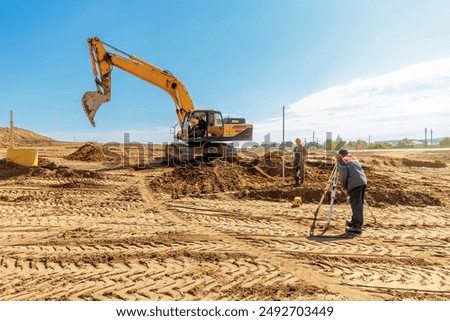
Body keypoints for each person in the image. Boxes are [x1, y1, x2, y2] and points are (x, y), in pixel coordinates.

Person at [336, 149, 367, 234]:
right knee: (358, 204)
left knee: (356, 204)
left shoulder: (341, 161)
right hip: (362, 181)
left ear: (340, 155)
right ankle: (354, 221)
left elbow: (343, 176)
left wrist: (344, 187)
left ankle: (357, 226)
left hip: (354, 183)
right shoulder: (353, 158)